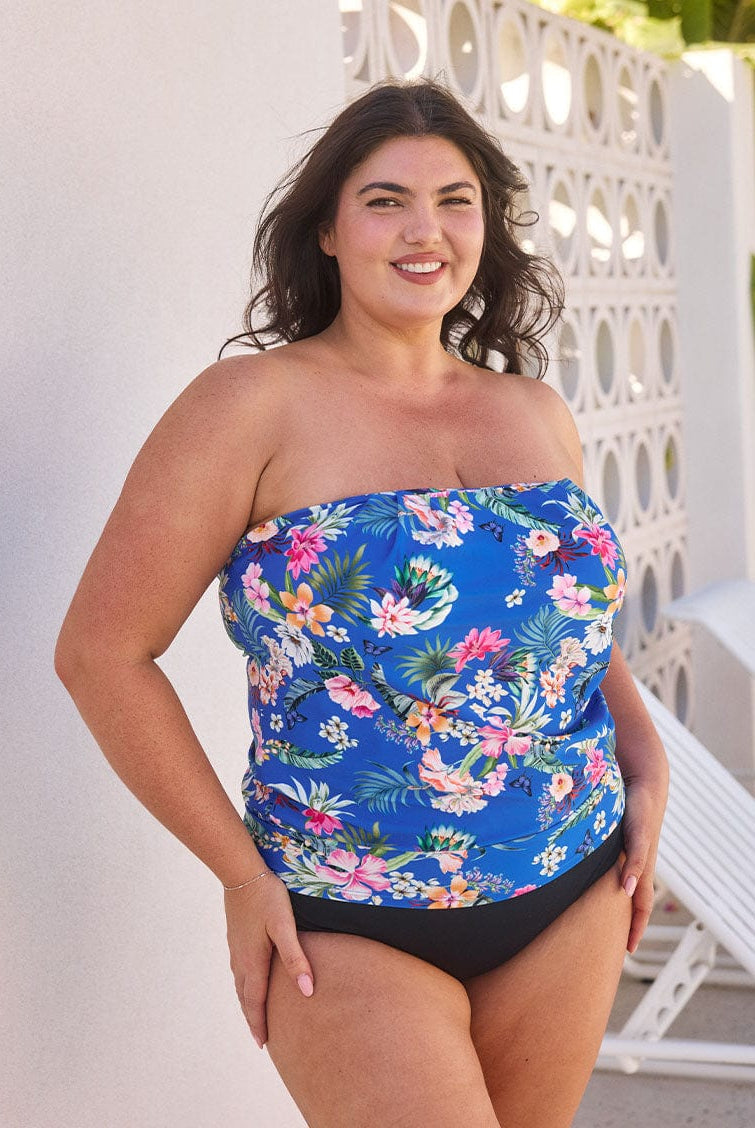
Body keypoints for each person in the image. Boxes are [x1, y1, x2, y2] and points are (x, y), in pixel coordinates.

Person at [56, 79, 669, 1128]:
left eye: (454, 199)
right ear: (329, 231)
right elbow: (102, 654)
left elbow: (571, 625)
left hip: (571, 879)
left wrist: (646, 762)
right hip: (343, 919)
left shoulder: (534, 414)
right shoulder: (247, 407)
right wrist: (241, 876)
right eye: (384, 200)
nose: (423, 230)